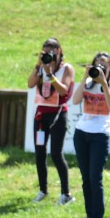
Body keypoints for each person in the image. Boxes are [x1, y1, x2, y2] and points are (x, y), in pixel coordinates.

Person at [72, 52, 110, 218]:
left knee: (95, 177)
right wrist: (86, 76)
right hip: (81, 132)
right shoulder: (87, 83)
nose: (100, 67)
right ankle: (89, 215)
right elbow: (75, 100)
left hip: (100, 134)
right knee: (85, 178)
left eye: (104, 65)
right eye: (97, 64)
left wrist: (103, 84)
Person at [28, 38, 75, 205]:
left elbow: (64, 90)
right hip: (41, 116)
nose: (49, 55)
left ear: (59, 52)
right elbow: (30, 84)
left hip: (58, 115)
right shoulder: (41, 67)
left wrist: (50, 74)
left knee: (56, 154)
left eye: (52, 52)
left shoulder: (66, 69)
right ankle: (43, 190)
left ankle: (66, 194)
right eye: (46, 52)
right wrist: (39, 66)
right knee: (40, 153)